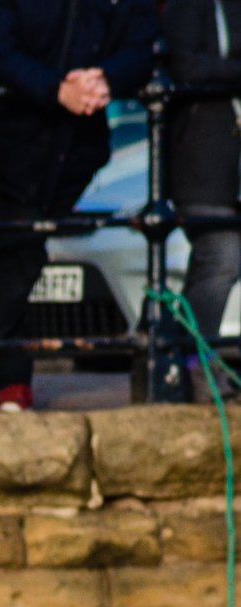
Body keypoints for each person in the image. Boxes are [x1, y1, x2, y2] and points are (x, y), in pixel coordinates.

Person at [0, 0, 158, 412]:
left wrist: (103, 81)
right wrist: (57, 89)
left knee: (21, 257)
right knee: (4, 258)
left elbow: (140, 51)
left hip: (65, 152)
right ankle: (11, 381)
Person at [169, 0, 241, 390]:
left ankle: (166, 348)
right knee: (221, 254)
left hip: (230, 156)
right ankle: (193, 360)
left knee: (217, 262)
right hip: (203, 157)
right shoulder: (190, 7)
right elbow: (187, 66)